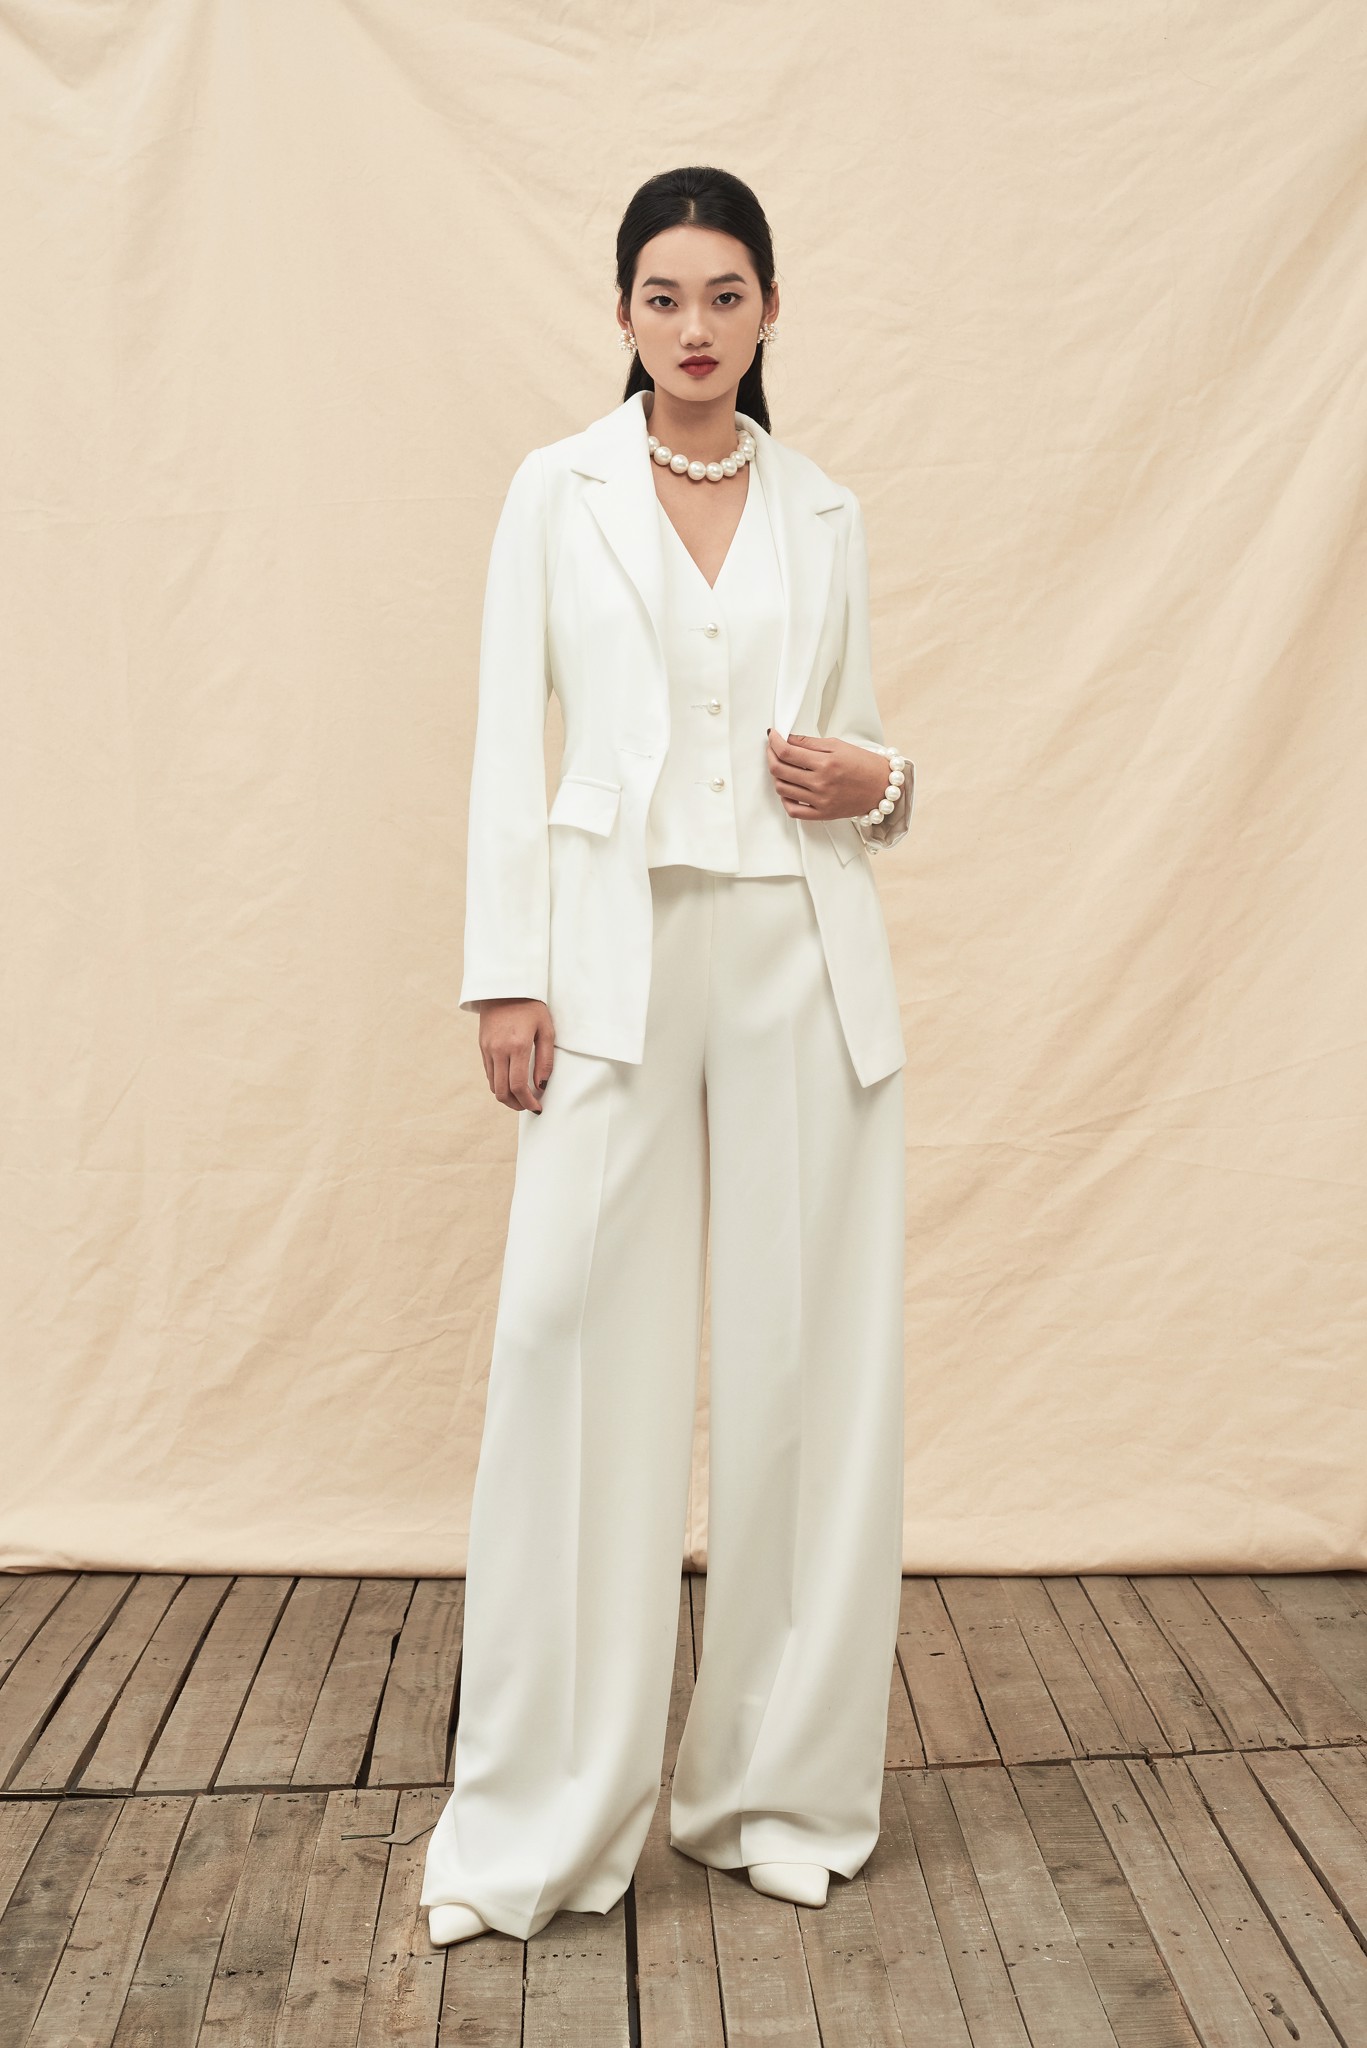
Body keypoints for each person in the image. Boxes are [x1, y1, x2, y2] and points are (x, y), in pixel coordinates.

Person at [421, 164, 915, 1947]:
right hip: (609, 957)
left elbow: (863, 763)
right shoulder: (553, 491)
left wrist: (885, 780)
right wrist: (506, 976)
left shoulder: (826, 509)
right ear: (623, 313)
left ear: (769, 310)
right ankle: (545, 1813)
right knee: (570, 1350)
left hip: (799, 951)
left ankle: (775, 1791)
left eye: (724, 295)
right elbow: (507, 736)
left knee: (808, 1366)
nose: (694, 328)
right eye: (662, 296)